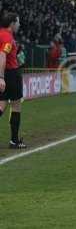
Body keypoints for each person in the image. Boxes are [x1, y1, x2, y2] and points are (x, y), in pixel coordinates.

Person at [0, 12, 26, 148]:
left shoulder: (1, 33)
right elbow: (3, 55)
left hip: (4, 73)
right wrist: (1, 77)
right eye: (18, 22)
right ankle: (14, 141)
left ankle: (14, 141)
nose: (19, 24)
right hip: (10, 74)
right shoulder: (7, 37)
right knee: (16, 105)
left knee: (2, 105)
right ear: (12, 23)